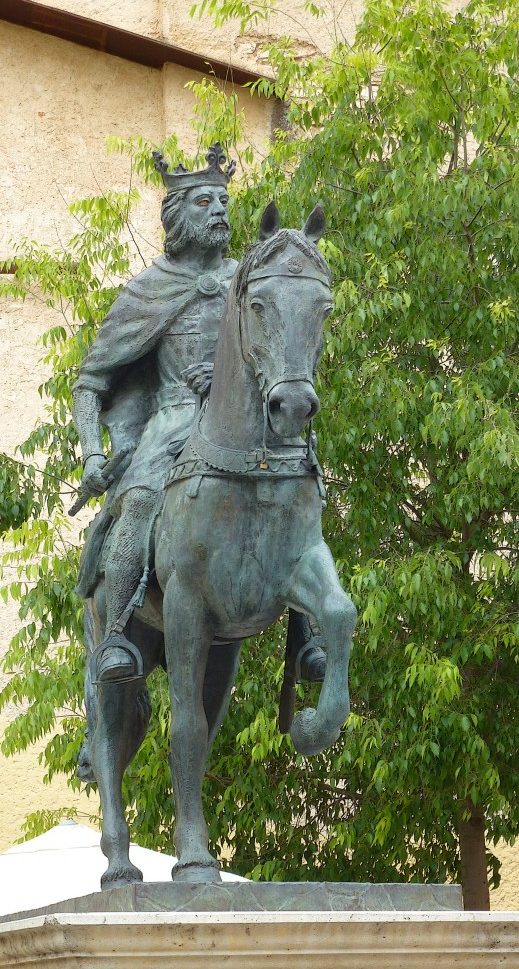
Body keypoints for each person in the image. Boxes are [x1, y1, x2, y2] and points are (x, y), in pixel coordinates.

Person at [72, 143, 326, 683]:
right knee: (139, 502)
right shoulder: (149, 288)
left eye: (224, 200)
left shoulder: (251, 275)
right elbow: (90, 382)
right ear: (176, 216)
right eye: (205, 200)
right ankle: (117, 634)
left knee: (304, 484)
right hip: (172, 422)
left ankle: (307, 634)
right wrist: (94, 452)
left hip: (249, 418)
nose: (220, 210)